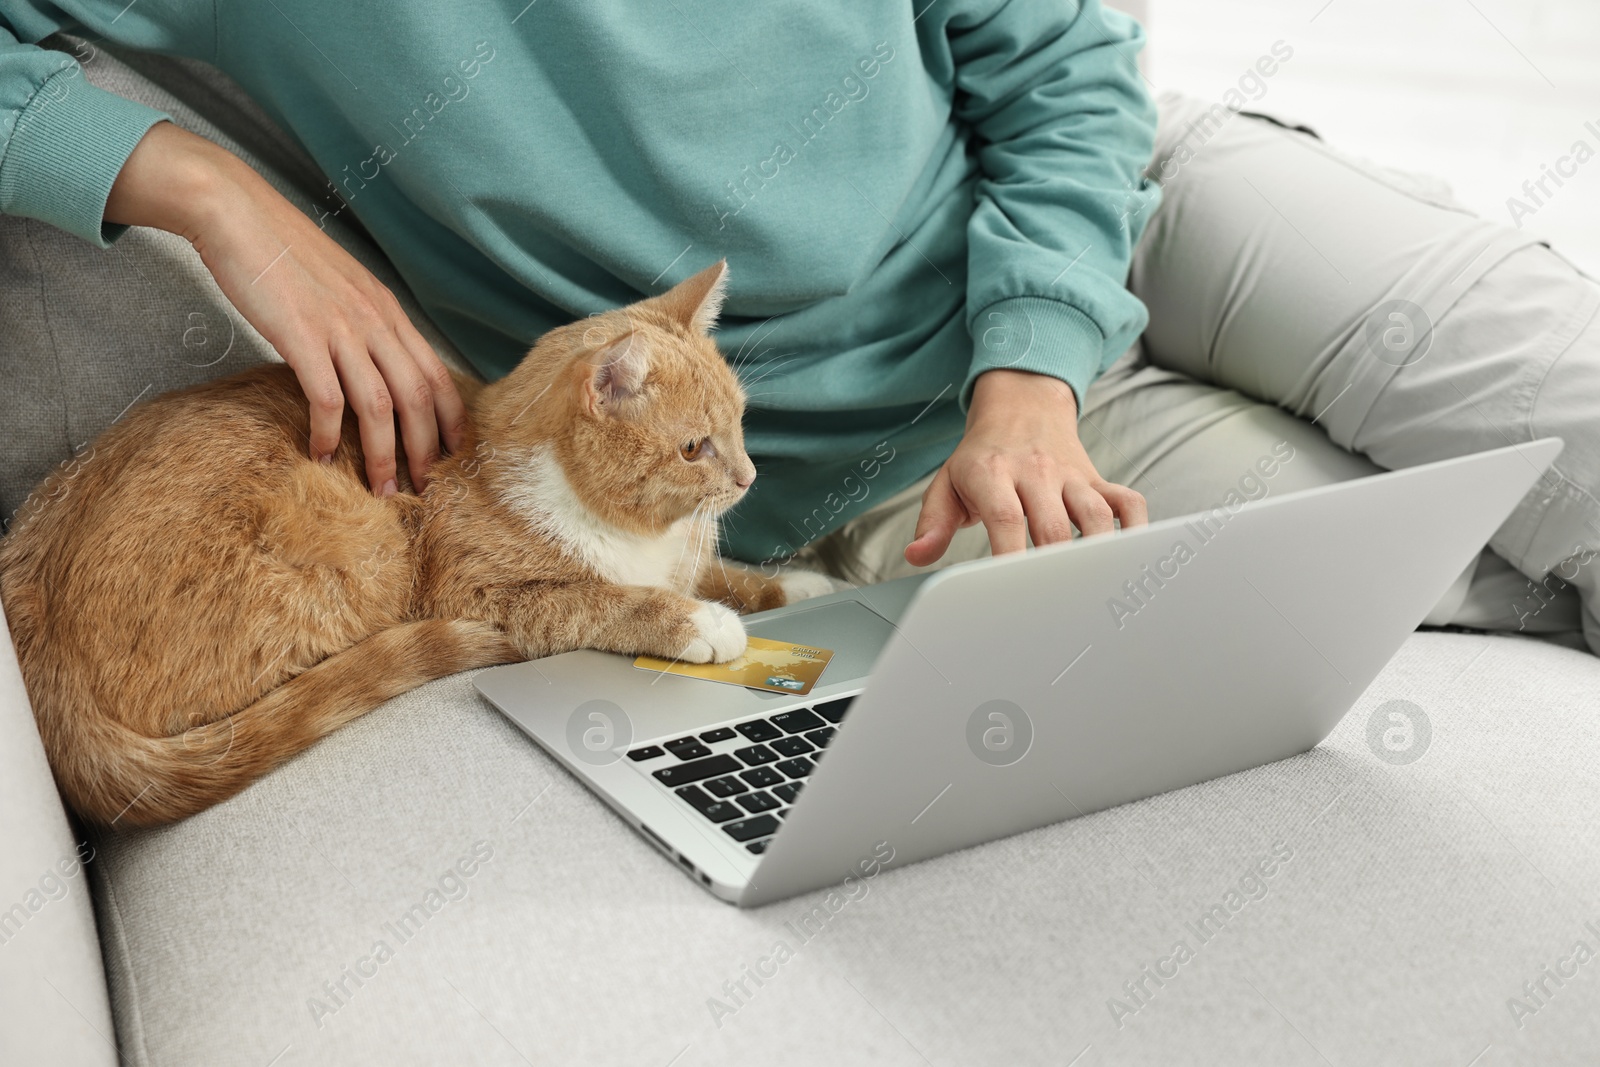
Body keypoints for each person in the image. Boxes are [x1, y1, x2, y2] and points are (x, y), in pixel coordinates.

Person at [2, 1, 1597, 652]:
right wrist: (195, 182)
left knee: (1565, 411)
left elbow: (1055, 62)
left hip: (1073, 255)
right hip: (815, 483)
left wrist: (1031, 371)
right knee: (1445, 609)